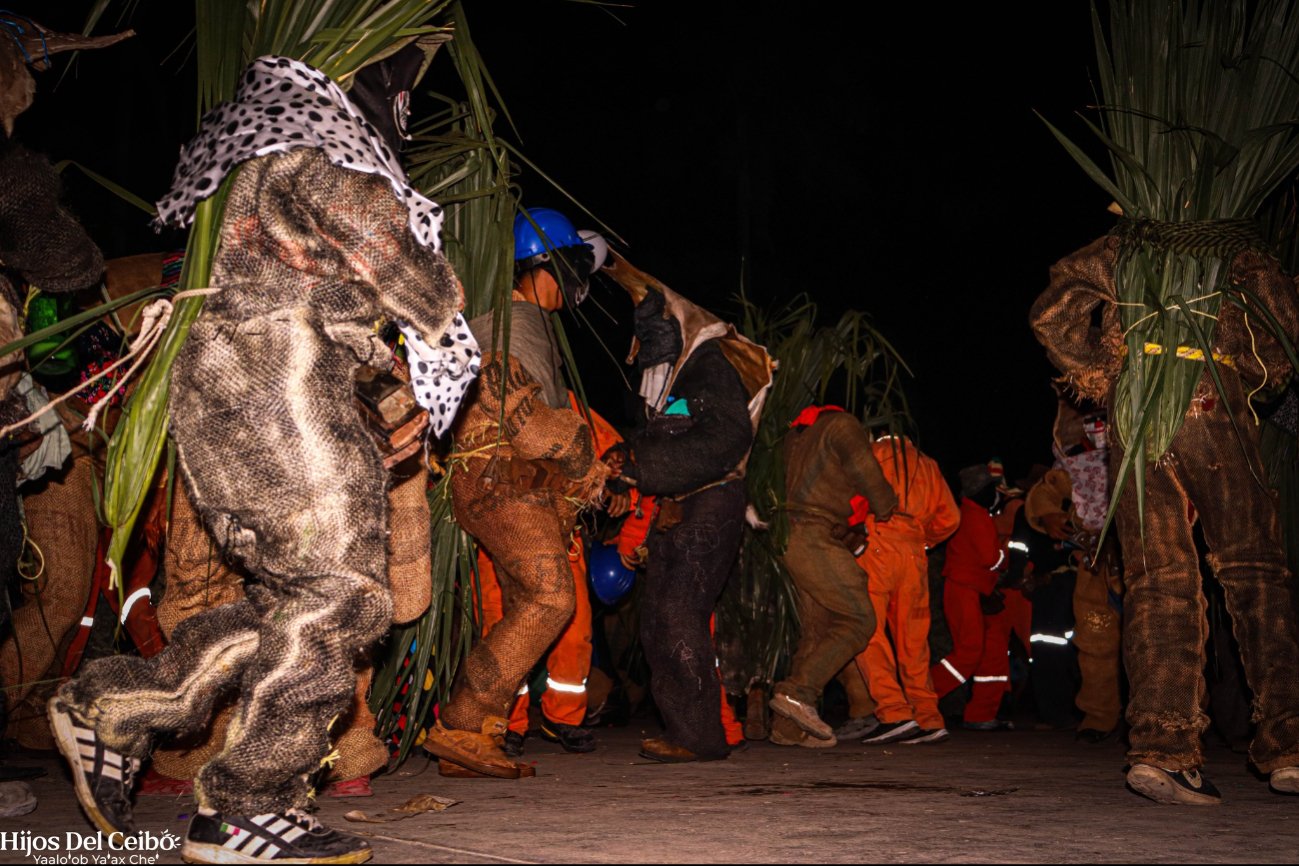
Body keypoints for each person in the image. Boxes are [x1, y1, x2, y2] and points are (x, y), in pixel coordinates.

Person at [48, 44, 472, 863]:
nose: (406, 111)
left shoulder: (262, 148)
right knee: (343, 598)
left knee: (296, 602)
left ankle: (113, 705)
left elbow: (312, 295)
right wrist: (446, 332)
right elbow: (388, 260)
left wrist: (387, 395)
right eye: (403, 87)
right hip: (281, 393)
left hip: (238, 396)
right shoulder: (314, 145)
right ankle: (248, 806)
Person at [1031, 230, 1299, 803]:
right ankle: (1289, 744)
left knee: (1157, 577)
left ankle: (1162, 748)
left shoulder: (1126, 244)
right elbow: (1285, 330)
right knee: (1255, 573)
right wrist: (1249, 377)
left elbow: (1052, 314)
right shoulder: (1238, 245)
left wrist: (1110, 376)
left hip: (1139, 410)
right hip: (1214, 402)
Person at [422, 208, 609, 778]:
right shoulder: (517, 322)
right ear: (554, 264)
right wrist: (585, 463)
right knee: (551, 601)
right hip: (504, 485)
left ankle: (472, 738)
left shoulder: (516, 320)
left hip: (499, 485)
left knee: (525, 602)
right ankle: (459, 724)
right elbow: (521, 417)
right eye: (577, 267)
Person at [604, 251, 773, 763]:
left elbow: (727, 437)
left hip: (711, 504)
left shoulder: (707, 366)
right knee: (659, 618)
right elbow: (653, 448)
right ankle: (690, 729)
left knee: (678, 613)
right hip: (675, 510)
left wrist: (640, 466)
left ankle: (699, 736)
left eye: (656, 325)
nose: (645, 337)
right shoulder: (661, 384)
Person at [766, 405, 898, 745]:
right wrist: (886, 504)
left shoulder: (794, 435)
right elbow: (866, 472)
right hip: (814, 533)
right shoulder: (842, 425)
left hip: (787, 533)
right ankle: (798, 694)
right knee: (858, 618)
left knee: (815, 631)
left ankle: (787, 727)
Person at [853, 433, 960, 745]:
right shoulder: (928, 463)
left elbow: (852, 499)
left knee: (867, 632)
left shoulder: (872, 452)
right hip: (914, 553)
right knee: (914, 639)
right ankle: (928, 716)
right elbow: (951, 518)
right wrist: (923, 541)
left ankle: (893, 712)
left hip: (877, 544)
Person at [928, 460, 1016, 732]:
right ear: (984, 492)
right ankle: (919, 699)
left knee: (992, 654)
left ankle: (981, 713)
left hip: (978, 591)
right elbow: (991, 559)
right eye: (994, 490)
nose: (998, 495)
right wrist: (1004, 555)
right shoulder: (974, 515)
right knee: (967, 653)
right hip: (966, 590)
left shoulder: (973, 513)